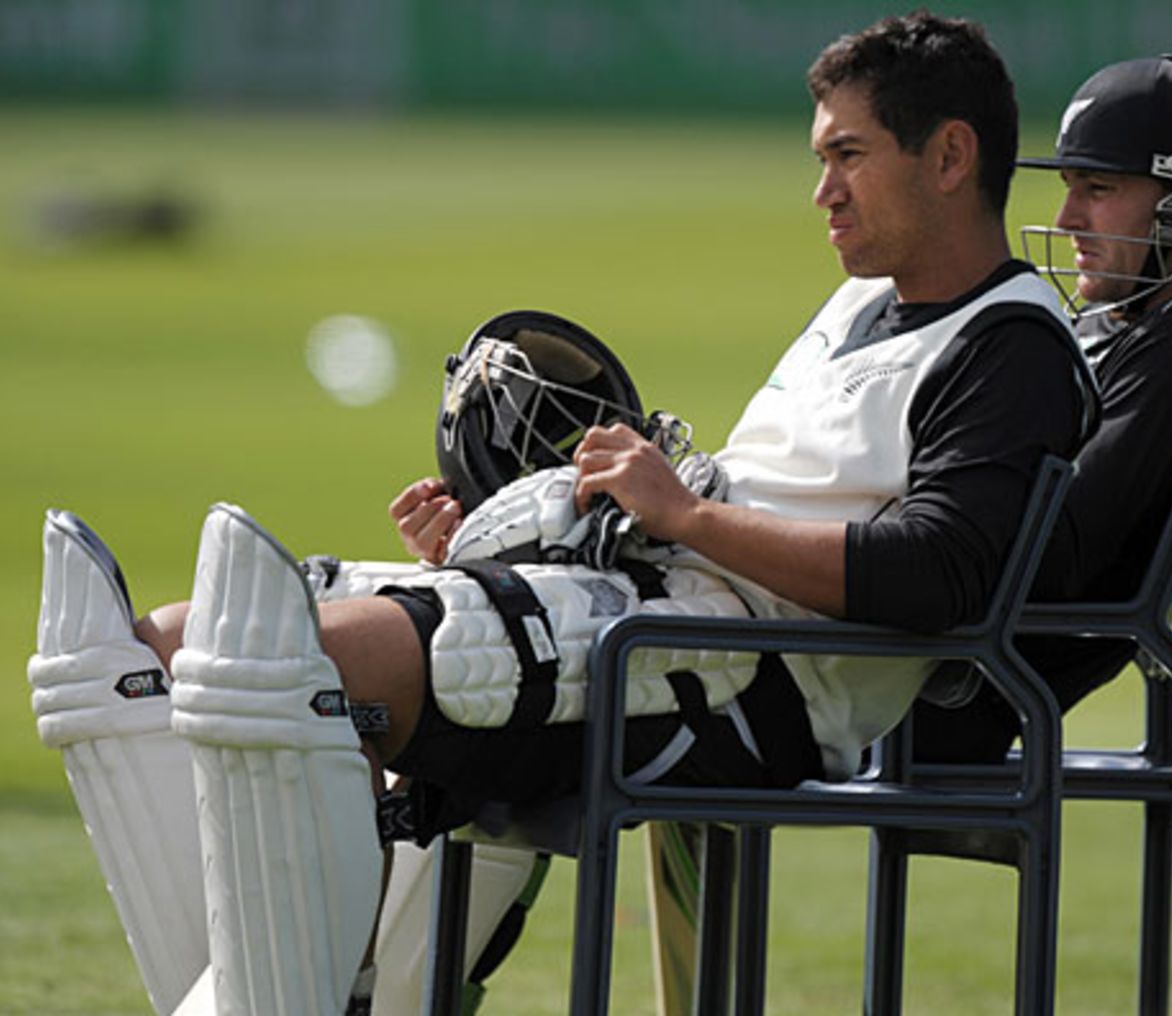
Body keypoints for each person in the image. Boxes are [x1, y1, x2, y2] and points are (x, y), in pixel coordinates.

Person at [29, 11, 1097, 1014]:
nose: (821, 190)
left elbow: (939, 577)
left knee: (279, 660)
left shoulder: (1009, 347)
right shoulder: (864, 302)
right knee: (157, 648)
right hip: (647, 610)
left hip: (741, 684)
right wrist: (504, 539)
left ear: (949, 157)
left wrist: (681, 514)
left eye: (847, 155)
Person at [911, 55, 1172, 763]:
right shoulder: (1134, 329)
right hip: (930, 653)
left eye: (1099, 189)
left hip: (948, 679)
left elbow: (1052, 554)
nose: (1067, 219)